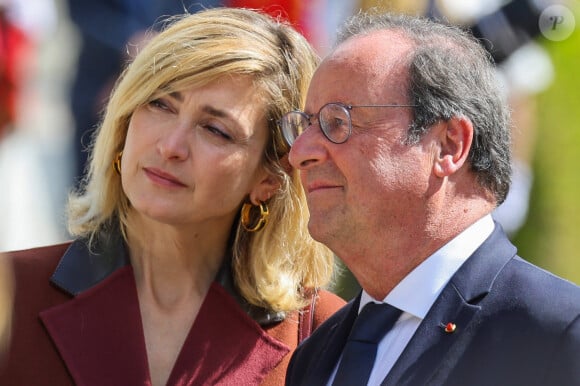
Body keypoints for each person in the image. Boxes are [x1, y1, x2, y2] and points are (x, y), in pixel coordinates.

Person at [0, 7, 345, 386]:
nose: (171, 146)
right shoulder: (10, 291)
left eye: (215, 130)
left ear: (269, 178)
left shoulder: (325, 335)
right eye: (160, 104)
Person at [281, 10, 580, 386]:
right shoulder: (315, 355)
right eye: (303, 126)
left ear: (449, 145)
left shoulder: (559, 333)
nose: (300, 152)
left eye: (336, 122)